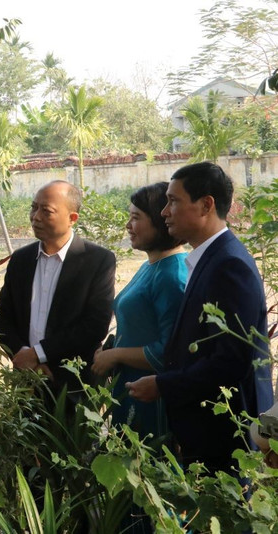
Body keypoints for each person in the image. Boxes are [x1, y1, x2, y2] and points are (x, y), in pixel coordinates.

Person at [126, 162, 274, 475]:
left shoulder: (228, 265)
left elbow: (232, 361)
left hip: (226, 433)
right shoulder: (209, 258)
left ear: (206, 204)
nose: (165, 211)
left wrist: (163, 385)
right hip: (208, 430)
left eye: (174, 201)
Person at [91, 183, 187, 534]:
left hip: (151, 403)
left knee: (151, 496)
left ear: (161, 222)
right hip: (129, 393)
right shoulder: (152, 266)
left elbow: (168, 352)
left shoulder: (172, 275)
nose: (129, 226)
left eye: (136, 218)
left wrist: (115, 354)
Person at [0, 180, 116, 396]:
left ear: (72, 218)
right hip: (26, 383)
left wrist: (39, 354)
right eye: (33, 207)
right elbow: (3, 318)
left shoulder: (97, 261)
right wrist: (25, 356)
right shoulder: (21, 259)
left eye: (46, 211)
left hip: (74, 386)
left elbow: (94, 326)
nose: (35, 216)